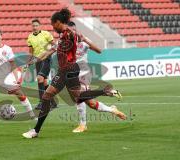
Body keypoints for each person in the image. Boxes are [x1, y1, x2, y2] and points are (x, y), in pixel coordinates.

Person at [22, 8, 126, 138]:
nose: (53, 28)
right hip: (69, 69)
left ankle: (35, 131)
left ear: (58, 22)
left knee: (47, 97)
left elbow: (60, 50)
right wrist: (35, 60)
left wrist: (55, 51)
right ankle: (105, 91)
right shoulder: (64, 35)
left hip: (67, 69)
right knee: (79, 97)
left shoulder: (69, 34)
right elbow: (51, 51)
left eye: (53, 25)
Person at [68, 21, 122, 133]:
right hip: (71, 75)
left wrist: (85, 40)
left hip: (83, 75)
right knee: (91, 103)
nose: (71, 32)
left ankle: (83, 125)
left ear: (75, 30)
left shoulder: (84, 41)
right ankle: (112, 109)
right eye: (69, 30)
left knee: (79, 97)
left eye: (73, 30)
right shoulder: (65, 43)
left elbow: (99, 50)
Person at [27, 19, 56, 109]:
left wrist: (50, 52)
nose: (35, 27)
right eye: (33, 26)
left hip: (46, 58)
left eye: (36, 25)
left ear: (40, 26)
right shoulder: (30, 37)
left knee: (39, 79)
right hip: (37, 60)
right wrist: (29, 62)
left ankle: (42, 102)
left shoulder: (46, 34)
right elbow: (31, 52)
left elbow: (54, 44)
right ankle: (53, 102)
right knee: (44, 82)